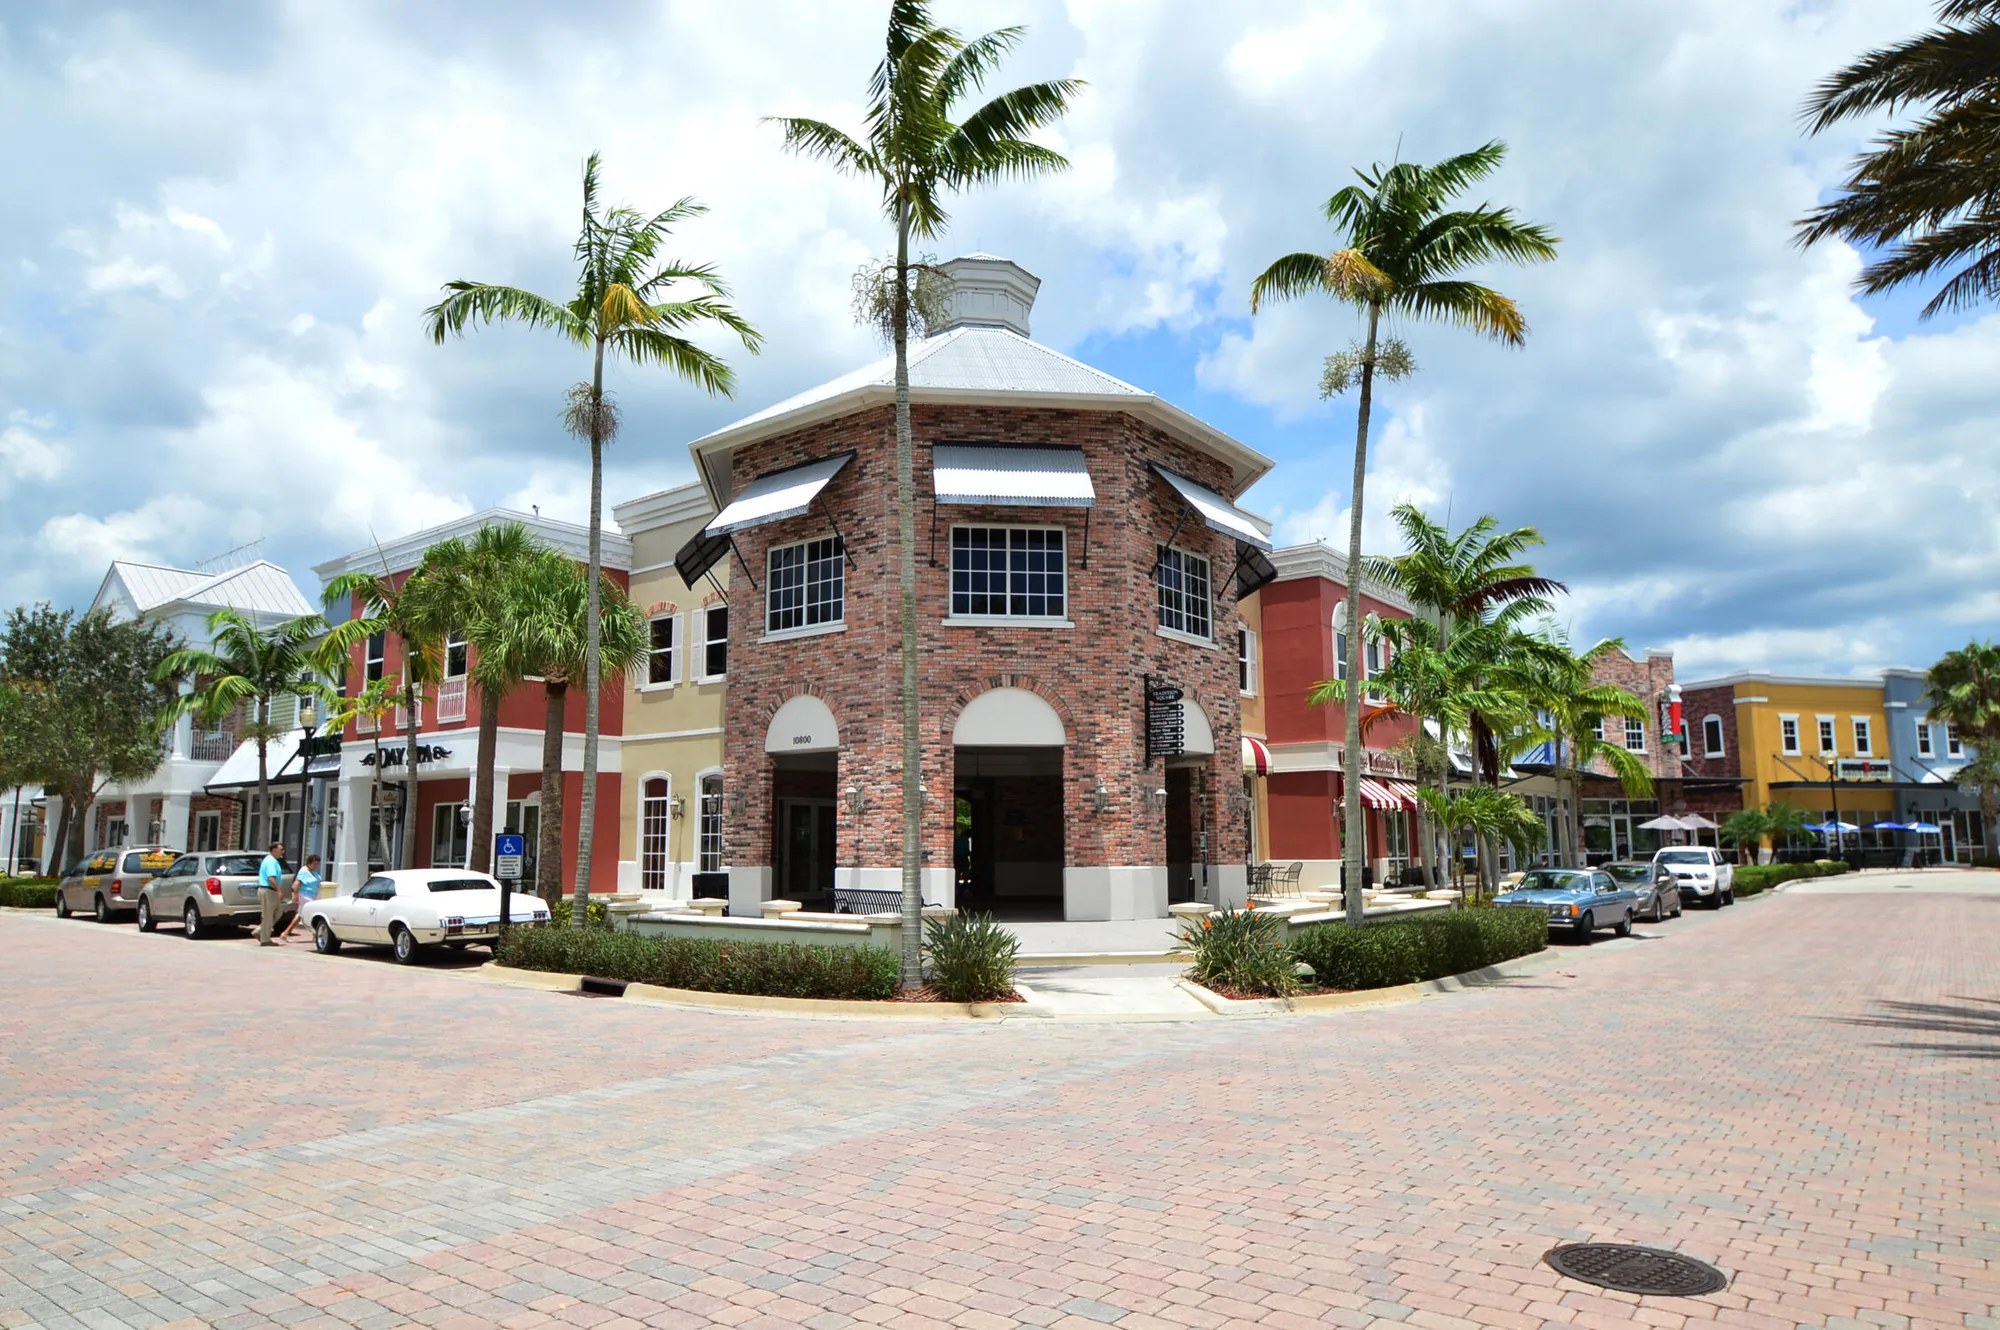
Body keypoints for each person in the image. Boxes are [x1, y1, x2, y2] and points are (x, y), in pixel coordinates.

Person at [278, 854, 320, 943]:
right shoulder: (304, 871)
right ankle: (315, 933)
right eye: (314, 864)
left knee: (300, 915)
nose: (316, 866)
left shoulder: (313, 872)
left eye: (317, 864)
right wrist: (296, 897)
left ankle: (285, 933)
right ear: (309, 863)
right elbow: (296, 884)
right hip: (305, 895)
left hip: (312, 895)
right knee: (311, 913)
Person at [256, 841, 287, 946]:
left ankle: (260, 930)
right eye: (281, 849)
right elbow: (271, 877)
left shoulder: (274, 861)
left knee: (278, 912)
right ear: (274, 850)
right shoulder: (271, 862)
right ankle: (265, 940)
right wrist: (278, 890)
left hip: (270, 891)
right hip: (268, 891)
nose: (283, 851)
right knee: (268, 916)